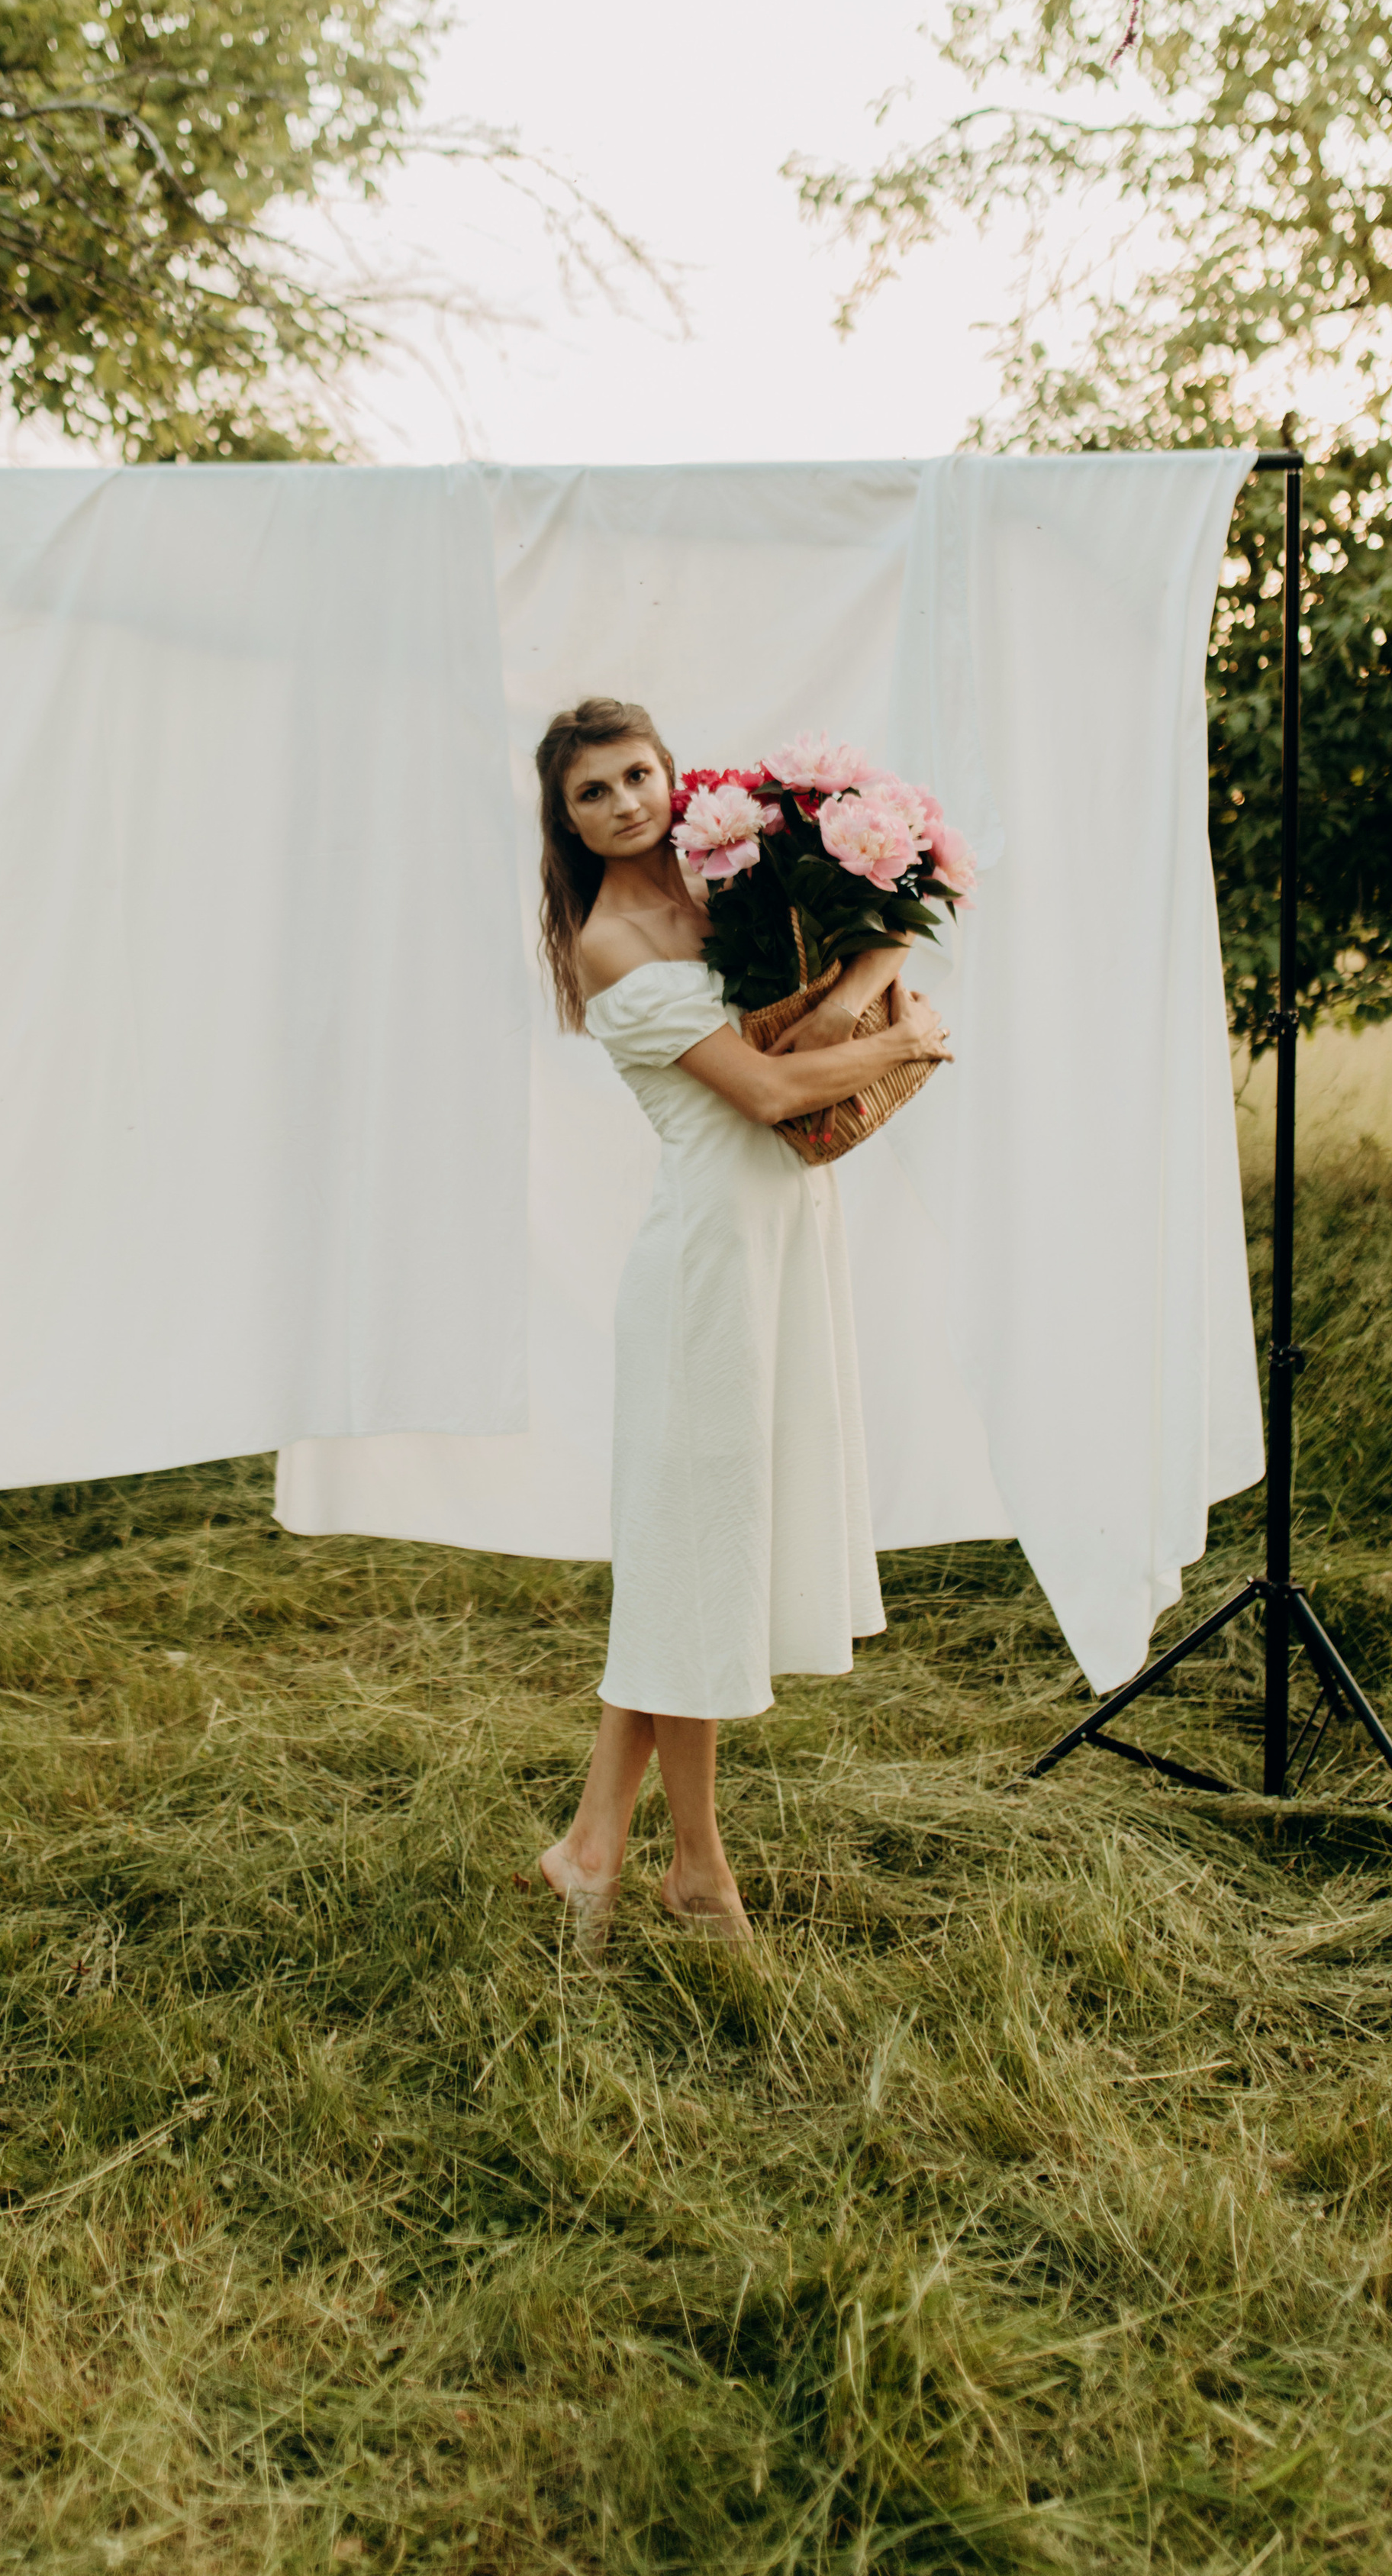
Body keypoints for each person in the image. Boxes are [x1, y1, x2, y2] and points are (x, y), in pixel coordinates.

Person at [533, 695, 952, 1948]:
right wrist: (904, 1040)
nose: (623, 804)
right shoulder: (610, 940)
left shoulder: (738, 882)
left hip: (779, 1244)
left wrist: (874, 982)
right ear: (564, 823)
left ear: (672, 771)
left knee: (689, 1562)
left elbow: (850, 963)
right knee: (694, 1564)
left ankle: (596, 1849)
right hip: (706, 1268)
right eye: (591, 794)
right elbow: (767, 1089)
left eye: (635, 774)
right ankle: (695, 1865)